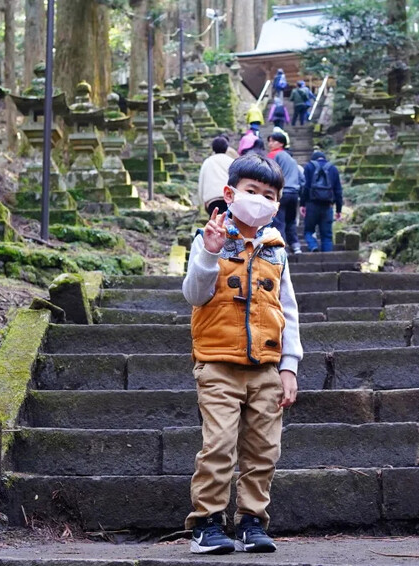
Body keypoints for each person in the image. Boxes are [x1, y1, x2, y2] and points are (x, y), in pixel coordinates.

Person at [183, 153, 302, 555]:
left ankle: (252, 520)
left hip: (266, 367)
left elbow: (288, 311)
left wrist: (289, 366)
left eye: (270, 195)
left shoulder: (277, 250)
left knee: (264, 449)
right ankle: (207, 522)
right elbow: (194, 294)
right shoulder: (208, 240)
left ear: (278, 204)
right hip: (217, 362)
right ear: (230, 193)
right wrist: (209, 253)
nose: (261, 199)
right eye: (252, 191)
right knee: (218, 445)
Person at [267, 131, 304, 254]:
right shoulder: (291, 159)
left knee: (279, 221)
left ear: (281, 143)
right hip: (294, 192)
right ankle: (295, 245)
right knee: (291, 220)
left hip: (282, 192)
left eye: (273, 141)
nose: (270, 144)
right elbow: (301, 178)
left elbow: (268, 172)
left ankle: (282, 249)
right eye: (269, 141)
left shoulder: (274, 155)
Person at [300, 151, 343, 252]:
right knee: (327, 235)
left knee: (309, 231)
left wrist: (302, 204)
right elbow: (338, 191)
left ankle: (313, 246)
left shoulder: (309, 167)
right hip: (327, 205)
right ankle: (327, 255)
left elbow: (305, 187)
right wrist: (338, 210)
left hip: (311, 204)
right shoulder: (333, 168)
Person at [198, 136, 235, 215]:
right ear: (226, 148)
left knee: (215, 220)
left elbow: (201, 183)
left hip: (212, 199)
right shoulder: (232, 162)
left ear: (213, 149)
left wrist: (202, 202)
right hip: (229, 197)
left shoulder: (207, 162)